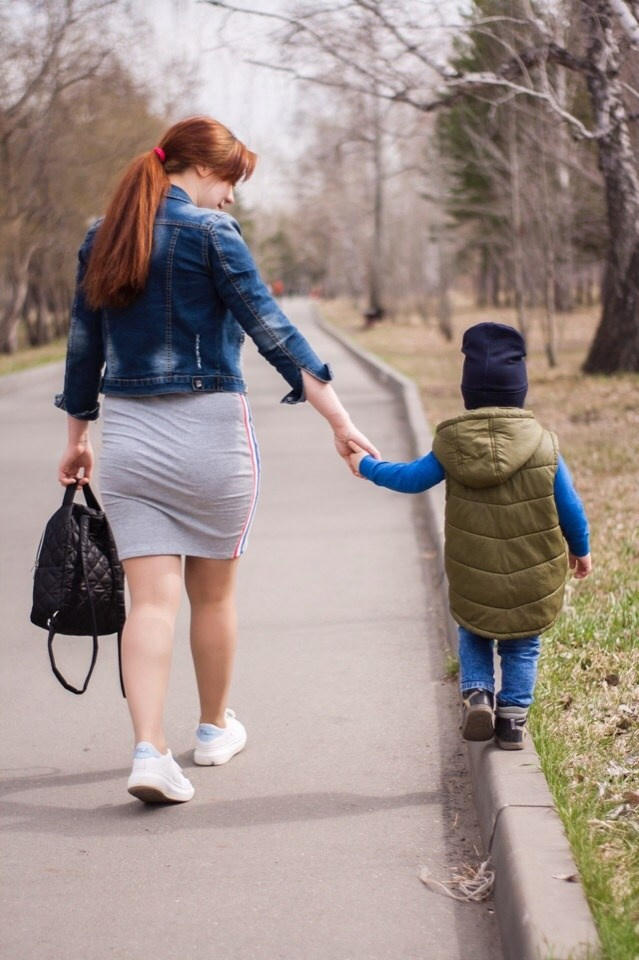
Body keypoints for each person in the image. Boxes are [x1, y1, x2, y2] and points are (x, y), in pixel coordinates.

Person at [56, 115, 379, 804]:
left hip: (131, 440)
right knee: (214, 595)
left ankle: (149, 750)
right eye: (231, 180)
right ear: (203, 170)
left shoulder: (101, 235)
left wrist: (77, 437)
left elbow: (84, 347)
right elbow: (273, 330)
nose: (232, 197)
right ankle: (210, 729)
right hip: (211, 436)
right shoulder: (211, 235)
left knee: (150, 604)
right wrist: (341, 422)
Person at [348, 322, 591, 750]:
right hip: (532, 574)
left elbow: (410, 479)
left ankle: (478, 693)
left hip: (472, 570)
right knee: (522, 642)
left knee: (474, 628)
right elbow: (570, 506)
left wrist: (366, 466)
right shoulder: (544, 446)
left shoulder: (451, 444)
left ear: (467, 393)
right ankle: (513, 719)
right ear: (521, 391)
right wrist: (581, 550)